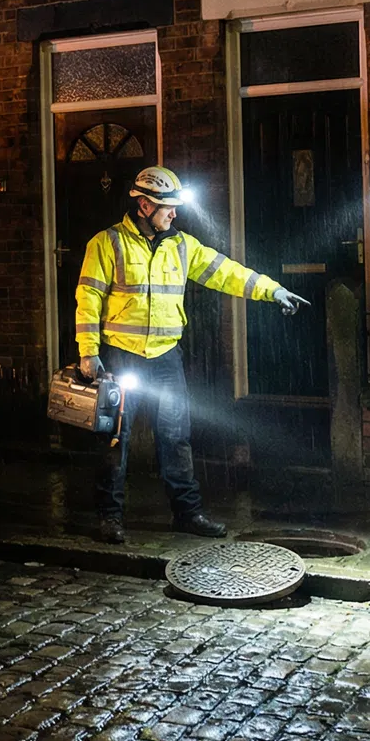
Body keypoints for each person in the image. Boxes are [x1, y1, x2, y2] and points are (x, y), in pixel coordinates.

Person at [75, 166, 309, 544]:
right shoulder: (106, 243)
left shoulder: (183, 245)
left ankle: (187, 513)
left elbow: (226, 272)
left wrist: (273, 290)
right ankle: (110, 517)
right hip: (121, 357)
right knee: (115, 439)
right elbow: (88, 299)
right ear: (144, 206)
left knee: (176, 437)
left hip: (166, 357)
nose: (174, 213)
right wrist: (89, 353)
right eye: (168, 207)